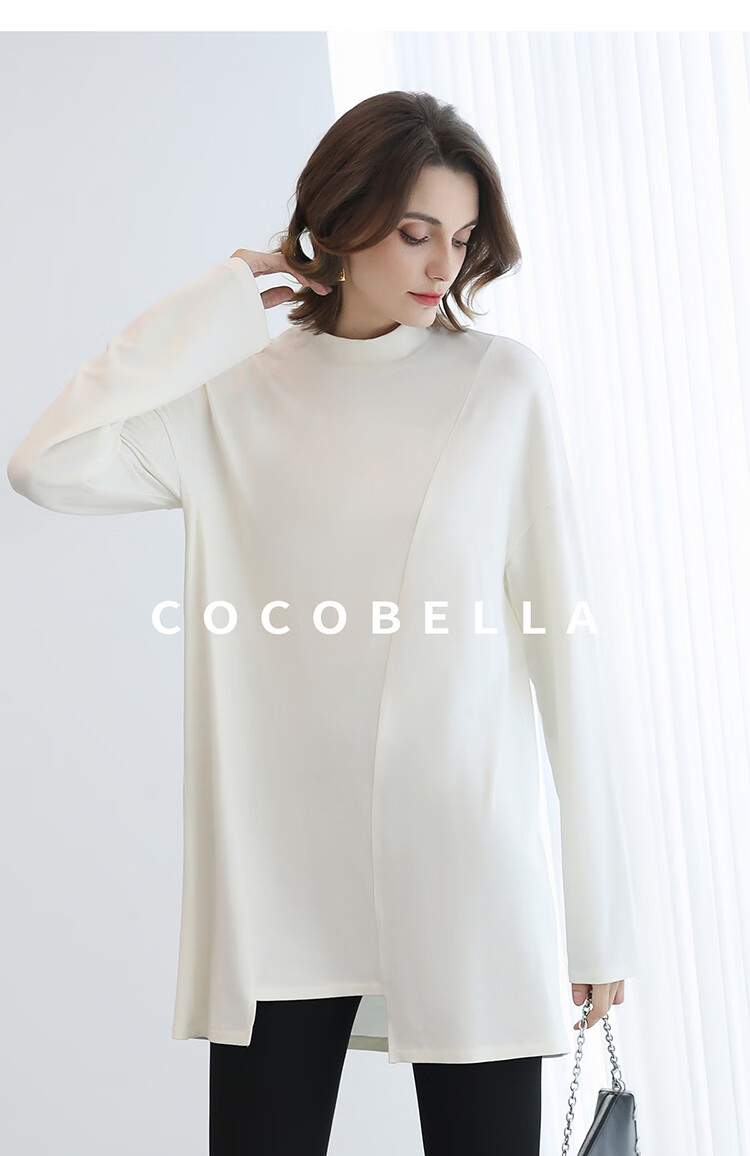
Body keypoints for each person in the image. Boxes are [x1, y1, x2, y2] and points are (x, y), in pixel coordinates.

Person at [7, 91, 640, 1156]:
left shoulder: (502, 389)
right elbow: (44, 464)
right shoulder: (235, 397)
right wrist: (216, 299)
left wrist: (598, 917)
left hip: (464, 870)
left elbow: (565, 661)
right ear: (341, 222)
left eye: (461, 238)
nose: (442, 265)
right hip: (281, 883)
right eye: (414, 232)